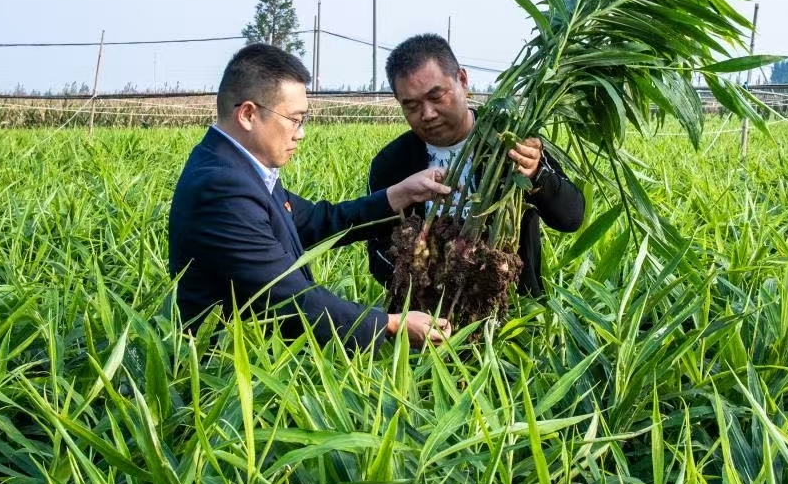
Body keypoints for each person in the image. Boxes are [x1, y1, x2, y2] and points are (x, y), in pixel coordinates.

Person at [169, 43, 453, 350]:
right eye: (295, 119)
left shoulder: (241, 169)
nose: (300, 133)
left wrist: (400, 194)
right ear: (249, 114)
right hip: (233, 370)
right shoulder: (222, 187)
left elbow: (315, 221)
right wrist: (391, 324)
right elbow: (288, 300)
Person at [367, 34, 585, 297]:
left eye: (436, 97)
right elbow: (377, 251)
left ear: (462, 80)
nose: (427, 114)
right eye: (411, 105)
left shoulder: (513, 140)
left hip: (514, 310)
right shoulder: (391, 164)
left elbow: (571, 217)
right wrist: (422, 280)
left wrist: (537, 173)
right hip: (425, 323)